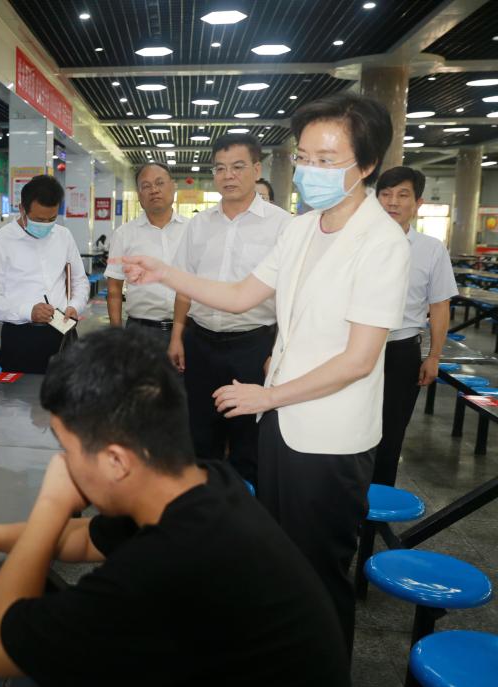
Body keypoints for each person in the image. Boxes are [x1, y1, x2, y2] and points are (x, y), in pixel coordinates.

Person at [119, 92, 409, 651]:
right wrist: (164, 272)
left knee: (319, 568)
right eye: (304, 157)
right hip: (281, 420)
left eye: (327, 160)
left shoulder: (381, 242)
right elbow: (238, 294)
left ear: (367, 165)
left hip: (328, 436)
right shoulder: (302, 228)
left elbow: (358, 359)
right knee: (282, 556)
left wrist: (268, 396)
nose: (310, 170)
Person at [0, 328, 349, 687]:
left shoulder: (158, 570)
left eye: (66, 450)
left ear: (115, 461)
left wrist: (51, 504)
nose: (61, 464)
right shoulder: (204, 484)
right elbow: (85, 539)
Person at [168, 134, 291, 484]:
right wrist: (177, 336)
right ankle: (206, 506)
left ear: (256, 169)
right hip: (201, 343)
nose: (228, 176)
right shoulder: (199, 224)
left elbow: (292, 297)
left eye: (238, 167)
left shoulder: (283, 225)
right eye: (220, 169)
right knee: (199, 434)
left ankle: (245, 510)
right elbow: (185, 284)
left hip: (253, 346)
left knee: (248, 439)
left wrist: (278, 352)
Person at [374, 166, 457, 486]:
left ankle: (378, 503)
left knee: (390, 433)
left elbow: (439, 306)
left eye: (402, 195)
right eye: (385, 194)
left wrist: (434, 356)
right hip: (353, 348)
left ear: (418, 203)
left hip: (400, 351)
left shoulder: (431, 249)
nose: (393, 202)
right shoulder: (355, 243)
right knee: (345, 428)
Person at [0, 175, 88, 374]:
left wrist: (74, 306)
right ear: (22, 209)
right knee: (21, 393)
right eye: (39, 220)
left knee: (65, 390)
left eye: (52, 219)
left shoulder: (63, 236)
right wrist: (28, 311)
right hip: (21, 337)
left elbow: (79, 280)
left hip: (63, 334)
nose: (46, 224)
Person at [104, 162, 188, 347]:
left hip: (189, 330)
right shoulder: (124, 234)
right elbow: (114, 289)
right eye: (146, 186)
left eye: (160, 183)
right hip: (141, 332)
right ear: (139, 194)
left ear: (173, 186)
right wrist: (117, 336)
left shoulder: (192, 230)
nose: (154, 190)